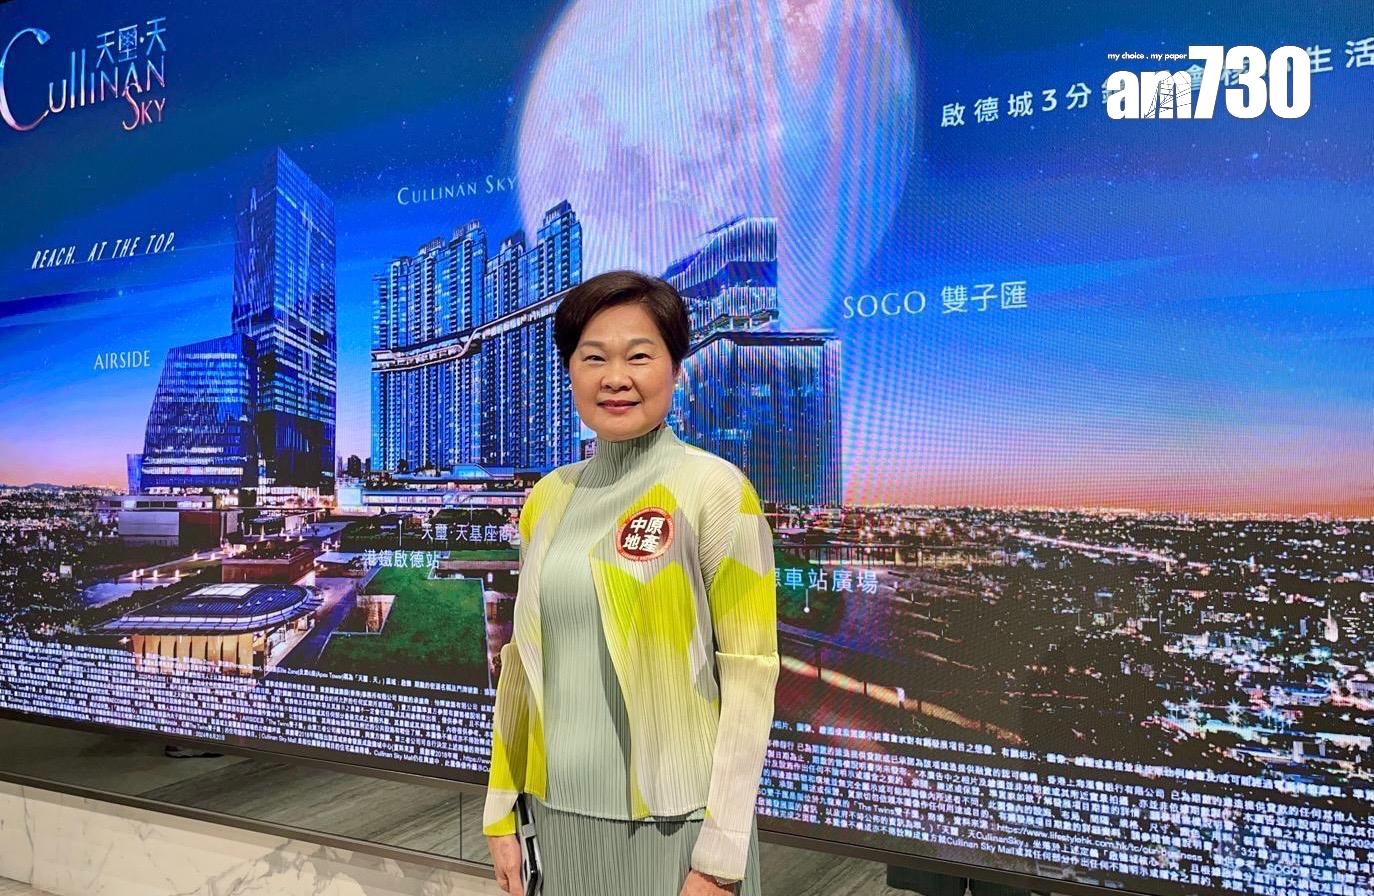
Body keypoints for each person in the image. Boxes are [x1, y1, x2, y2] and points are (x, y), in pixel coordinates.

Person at [483, 271, 779, 896]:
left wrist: (720, 857)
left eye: (639, 356)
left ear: (676, 370)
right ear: (570, 373)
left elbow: (751, 678)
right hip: (554, 816)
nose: (615, 377)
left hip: (679, 828)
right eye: (593, 357)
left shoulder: (716, 490)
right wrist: (501, 808)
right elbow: (522, 664)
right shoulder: (548, 498)